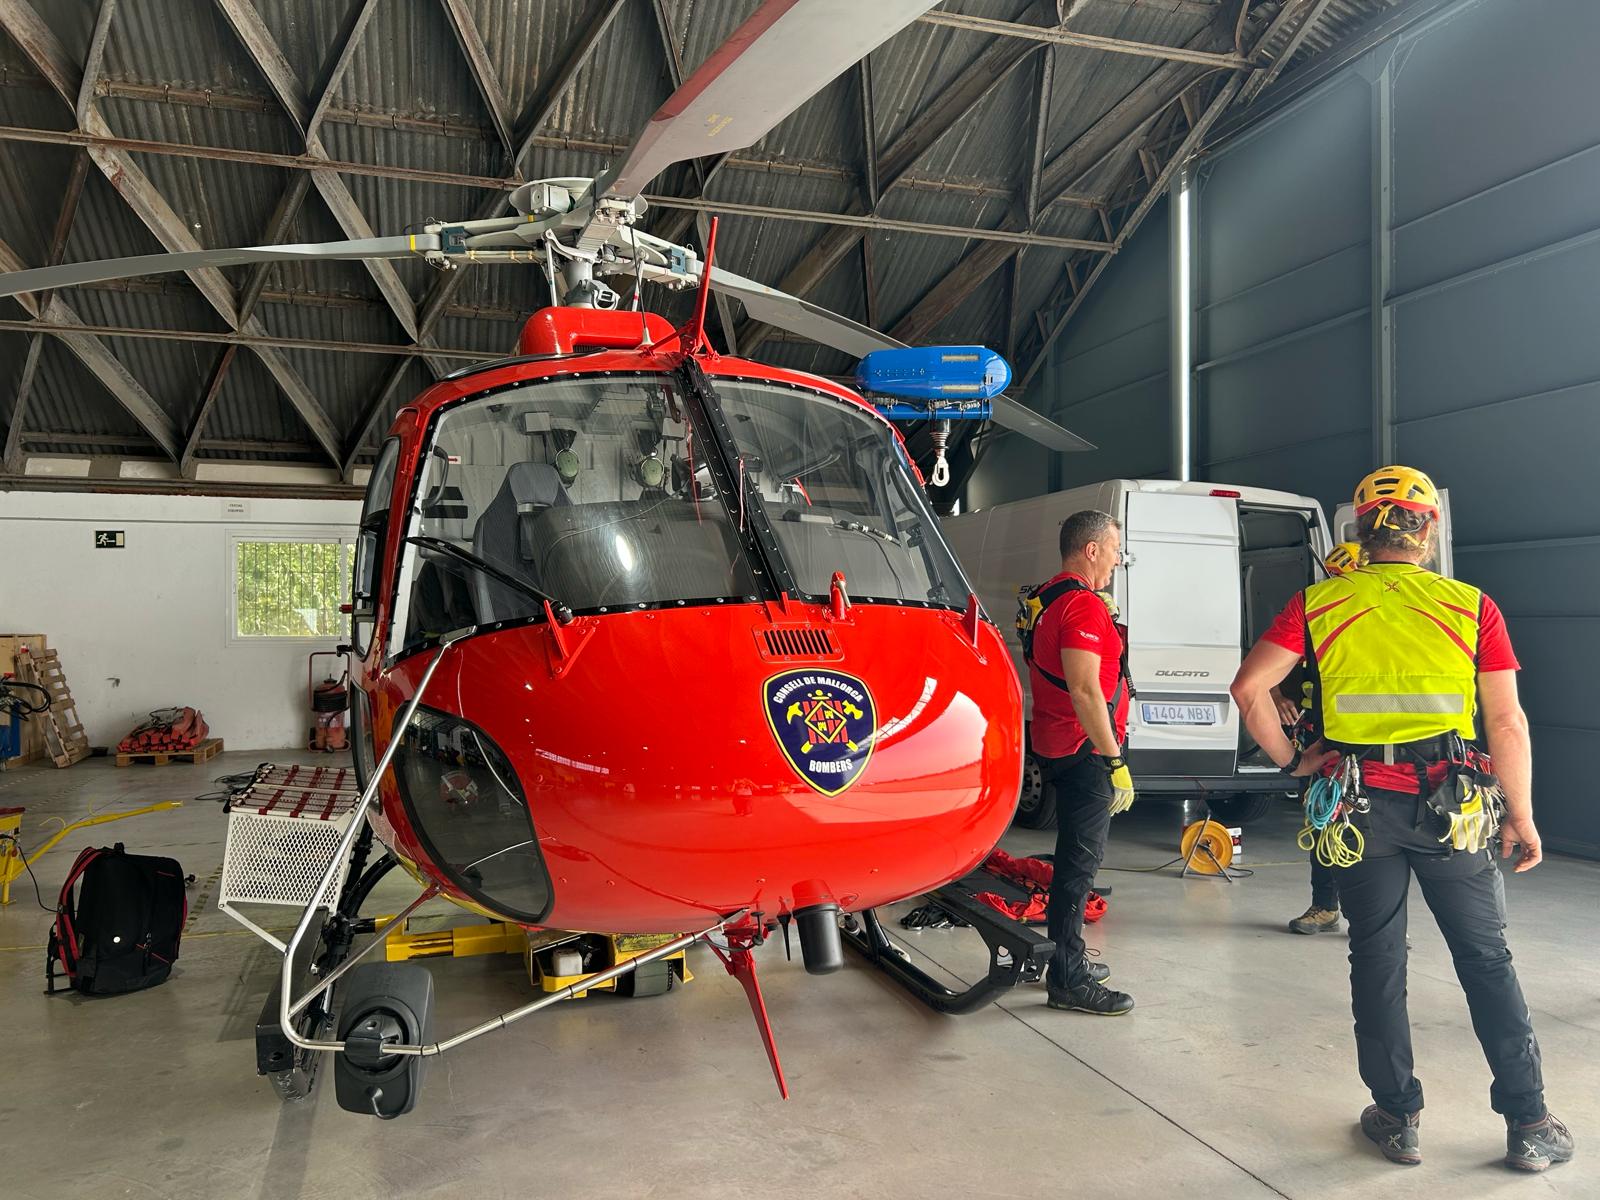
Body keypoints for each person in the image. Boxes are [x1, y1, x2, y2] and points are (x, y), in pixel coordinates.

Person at [1231, 466, 1573, 1172]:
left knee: (1377, 960)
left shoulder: (1320, 604)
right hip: (1453, 811)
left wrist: (1296, 761)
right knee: (1486, 960)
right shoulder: (1471, 606)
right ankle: (1530, 1121)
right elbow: (1505, 719)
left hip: (1360, 808)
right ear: (1429, 531)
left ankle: (1397, 1115)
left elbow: (1249, 688)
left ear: (1360, 528)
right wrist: (1524, 815)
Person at [1023, 510, 1136, 1016]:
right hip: (1085, 749)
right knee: (1078, 867)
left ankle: (1067, 959)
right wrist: (1114, 761)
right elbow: (1087, 689)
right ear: (1091, 550)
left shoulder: (1048, 599)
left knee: (1074, 861)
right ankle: (1067, 979)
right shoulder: (1083, 607)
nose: (1118, 559)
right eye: (1115, 549)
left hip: (1056, 742)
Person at [1283, 541, 1362, 935]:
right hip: (1322, 743)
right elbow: (1277, 673)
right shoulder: (1319, 627)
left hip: (1367, 745)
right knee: (1322, 823)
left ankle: (1375, 916)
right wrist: (1279, 697)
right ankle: (1324, 906)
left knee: (1370, 832)